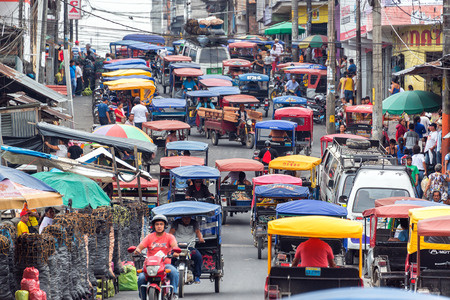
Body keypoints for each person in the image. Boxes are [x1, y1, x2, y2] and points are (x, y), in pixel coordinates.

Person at [135, 215, 179, 300]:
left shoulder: (169, 237)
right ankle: (143, 297)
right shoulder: (149, 237)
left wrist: (176, 252)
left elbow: (175, 247)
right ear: (154, 226)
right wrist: (137, 251)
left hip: (165, 265)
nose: (159, 226)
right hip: (149, 266)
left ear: (165, 226)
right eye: (157, 224)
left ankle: (174, 293)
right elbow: (139, 248)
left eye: (161, 224)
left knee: (174, 272)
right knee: (141, 278)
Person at [169, 216, 204, 284]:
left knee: (198, 257)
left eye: (188, 218)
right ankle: (170, 275)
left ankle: (197, 276)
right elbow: (170, 233)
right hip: (177, 247)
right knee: (170, 258)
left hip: (190, 248)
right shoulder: (176, 223)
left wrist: (200, 238)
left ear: (191, 218)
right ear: (182, 218)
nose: (186, 220)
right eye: (184, 218)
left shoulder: (194, 223)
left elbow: (198, 232)